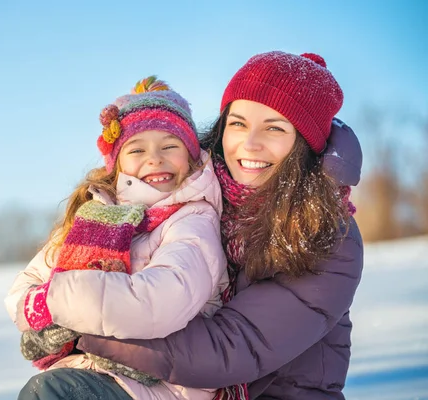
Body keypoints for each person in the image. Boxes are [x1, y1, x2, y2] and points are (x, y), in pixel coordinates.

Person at [75, 51, 364, 399]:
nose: (250, 143)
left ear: (304, 144)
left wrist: (88, 329)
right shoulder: (197, 192)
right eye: (238, 123)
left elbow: (233, 347)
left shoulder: (327, 233)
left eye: (274, 128)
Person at [6, 76, 248, 399]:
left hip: (166, 385)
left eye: (169, 146)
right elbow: (26, 286)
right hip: (94, 372)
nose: (154, 158)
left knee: (49, 393)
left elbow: (160, 300)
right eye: (137, 149)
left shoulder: (192, 219)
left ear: (191, 155)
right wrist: (44, 316)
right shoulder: (98, 215)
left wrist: (64, 305)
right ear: (117, 162)